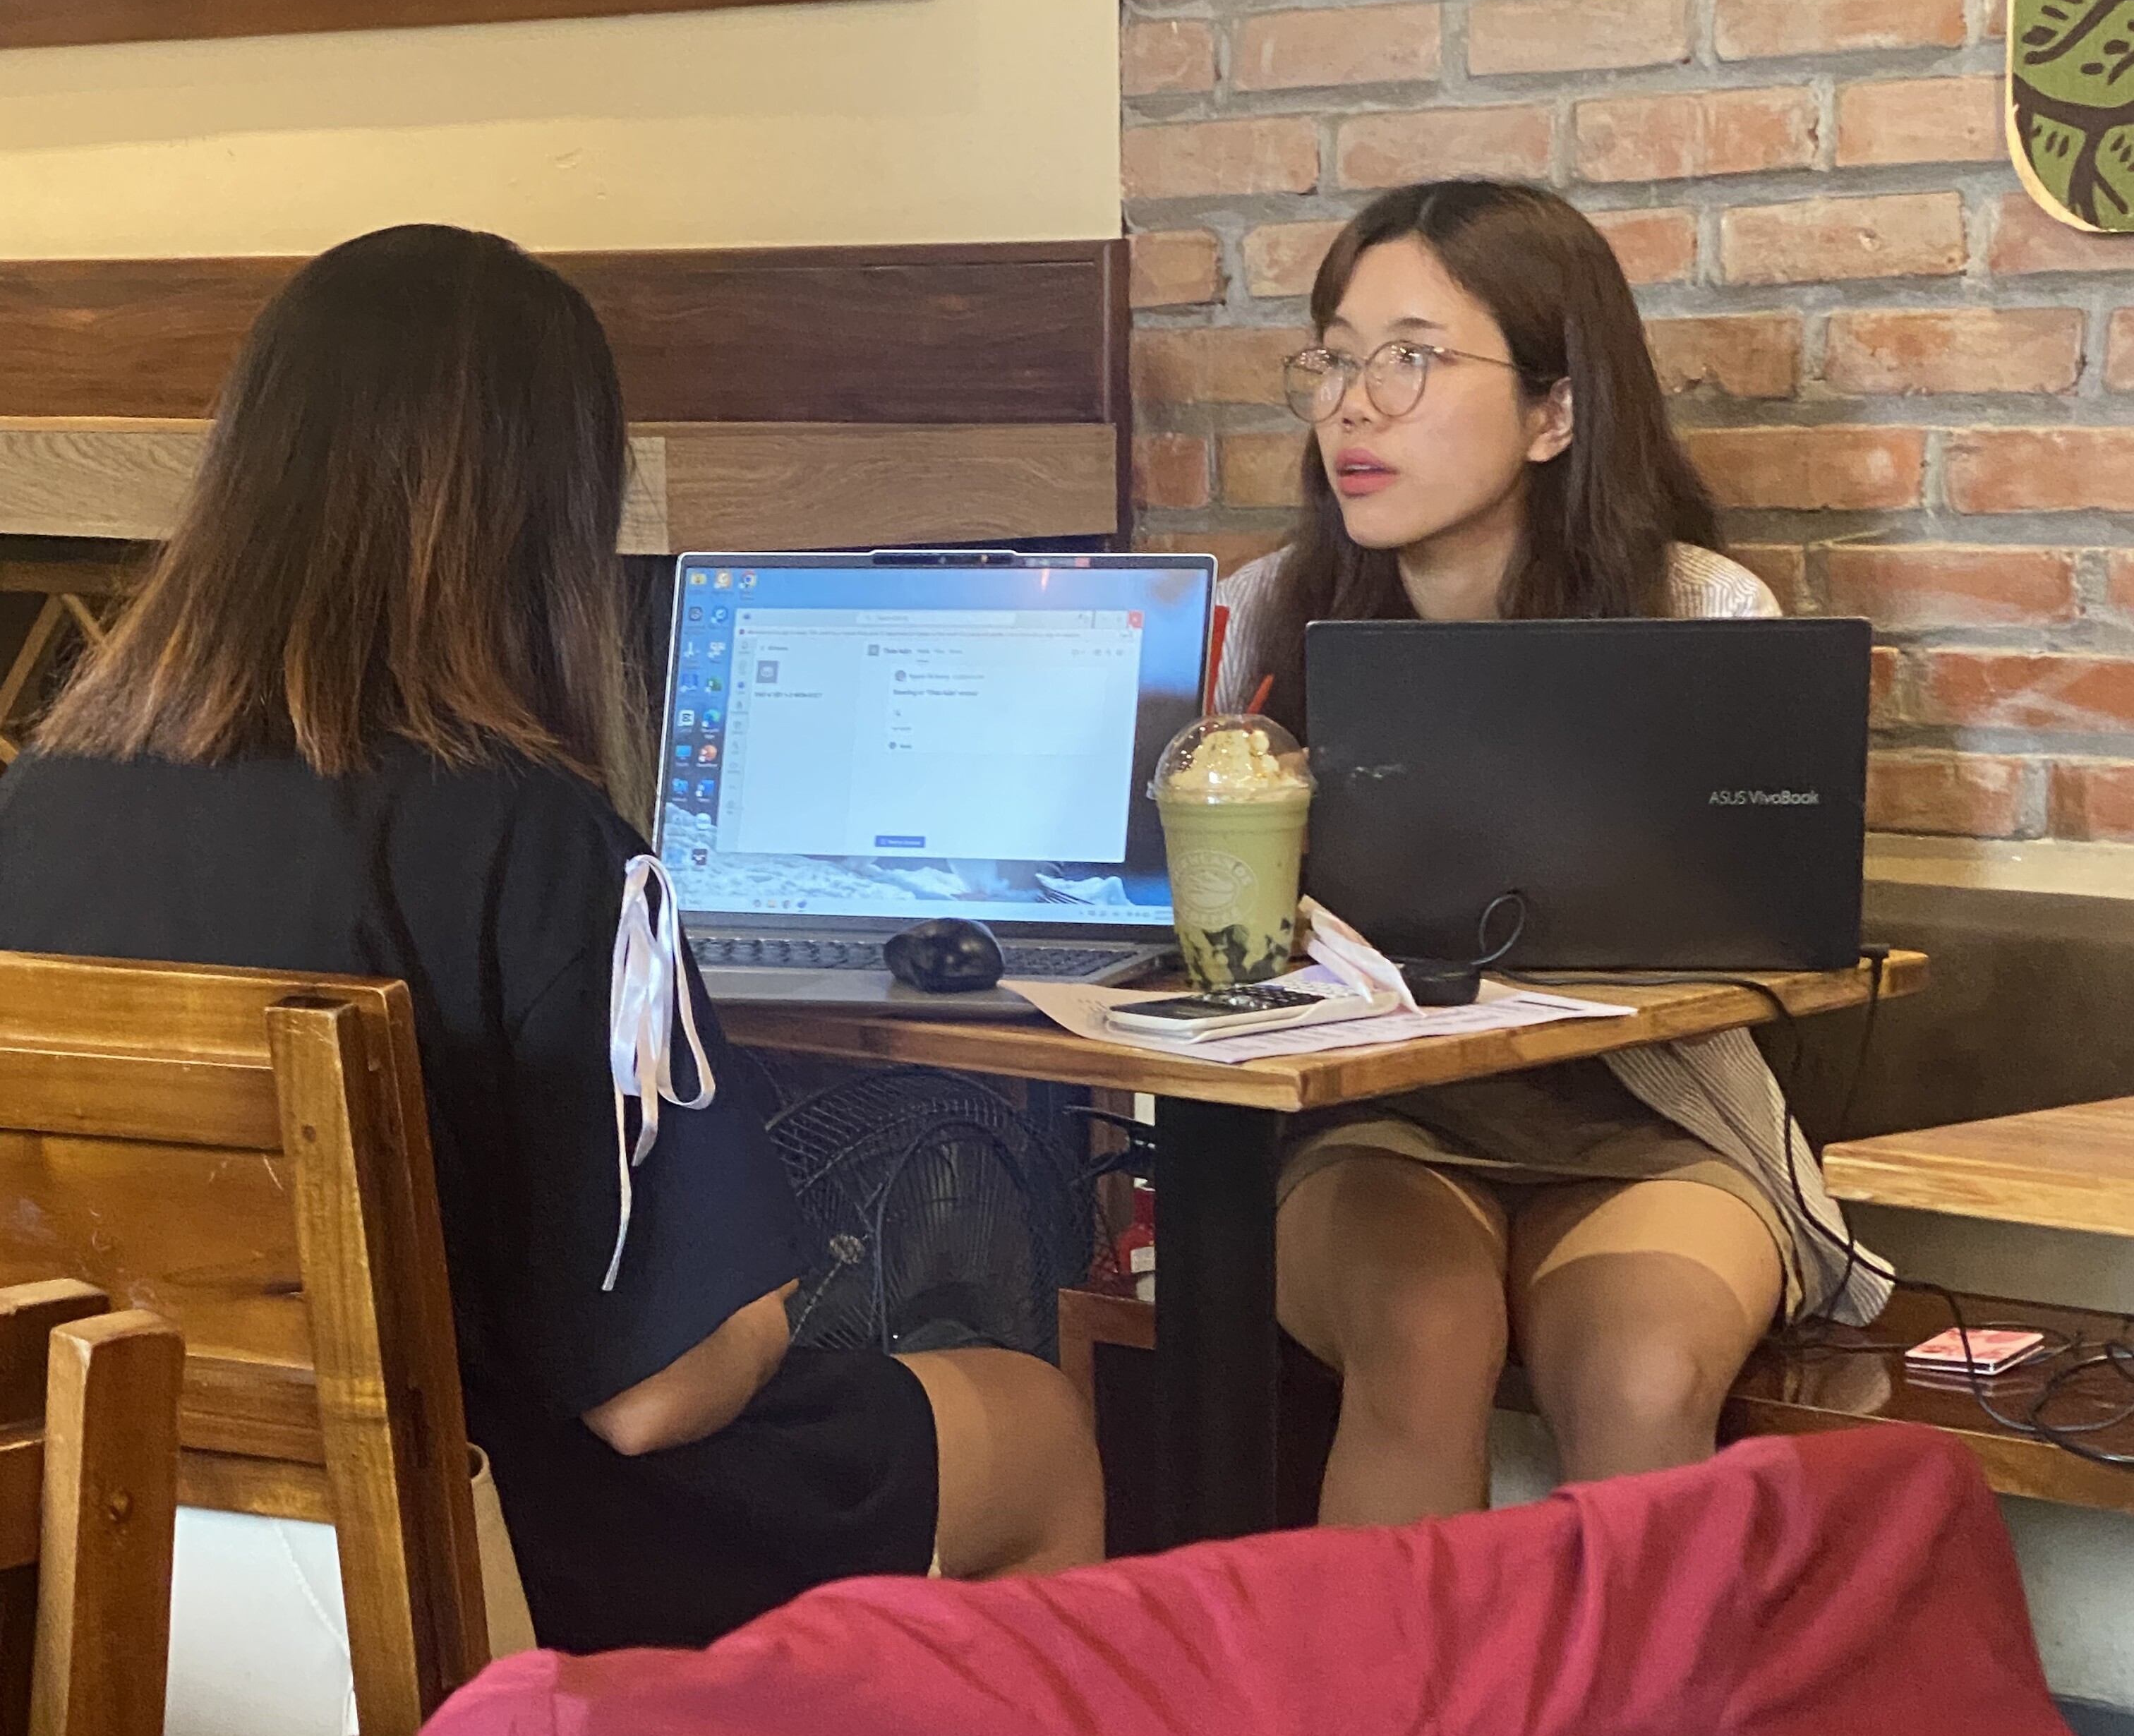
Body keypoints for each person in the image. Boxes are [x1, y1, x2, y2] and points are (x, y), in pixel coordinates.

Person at [0, 224, 1103, 1652]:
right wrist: (781, 1296)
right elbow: (655, 1397)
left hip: (122, 1544)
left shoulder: (35, 807)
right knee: (1035, 1425)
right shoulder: (536, 840)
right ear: (551, 517)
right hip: (479, 1547)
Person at [1215, 179, 1886, 1526]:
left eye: (1411, 359)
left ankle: (1625, 1680)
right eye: (1335, 360)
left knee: (1639, 1375)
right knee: (1422, 1337)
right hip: (1373, 1122)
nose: (1354, 407)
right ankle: (1404, 1682)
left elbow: (1766, 930)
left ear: (1554, 413)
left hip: (1652, 1118)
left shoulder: (1700, 612)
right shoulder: (1261, 620)